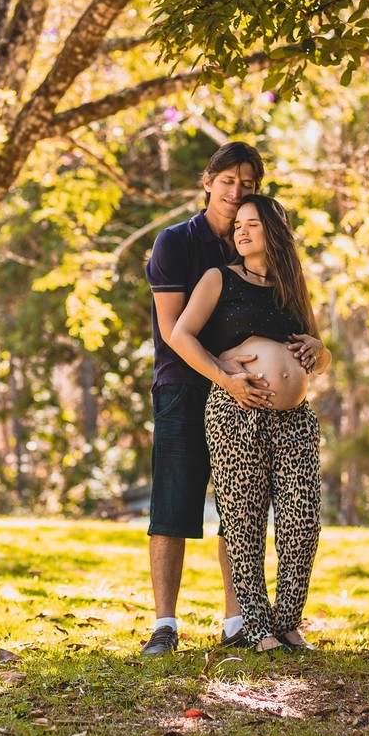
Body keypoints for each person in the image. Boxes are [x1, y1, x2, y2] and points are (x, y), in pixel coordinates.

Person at [168, 193, 331, 652]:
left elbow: (321, 353)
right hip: (236, 412)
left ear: (273, 232)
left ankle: (287, 622)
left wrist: (320, 352)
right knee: (244, 522)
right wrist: (226, 376)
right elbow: (181, 335)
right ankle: (257, 630)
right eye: (238, 224)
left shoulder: (292, 285)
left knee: (302, 521)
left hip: (295, 419)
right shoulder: (218, 279)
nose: (240, 231)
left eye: (252, 224)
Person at [140, 141, 272, 656]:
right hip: (184, 387)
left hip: (243, 395)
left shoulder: (253, 242)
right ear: (208, 181)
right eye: (228, 181)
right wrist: (223, 376)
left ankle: (236, 622)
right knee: (172, 507)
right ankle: (165, 625)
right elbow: (174, 331)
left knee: (238, 507)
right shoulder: (174, 243)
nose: (236, 193)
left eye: (247, 184)